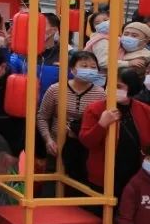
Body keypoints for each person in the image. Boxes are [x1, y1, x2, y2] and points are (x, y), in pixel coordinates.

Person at [80, 70, 150, 224]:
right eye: (111, 85)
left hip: (136, 177)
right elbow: (86, 140)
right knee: (99, 221)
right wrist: (102, 124)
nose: (113, 90)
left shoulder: (144, 110)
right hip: (102, 175)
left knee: (131, 222)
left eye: (119, 86)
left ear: (132, 89)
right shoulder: (95, 109)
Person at [36, 52, 105, 188]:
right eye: (84, 66)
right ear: (72, 69)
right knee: (52, 188)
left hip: (84, 151)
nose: (89, 70)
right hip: (56, 148)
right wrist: (48, 139)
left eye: (93, 67)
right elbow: (42, 116)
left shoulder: (101, 94)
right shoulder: (55, 89)